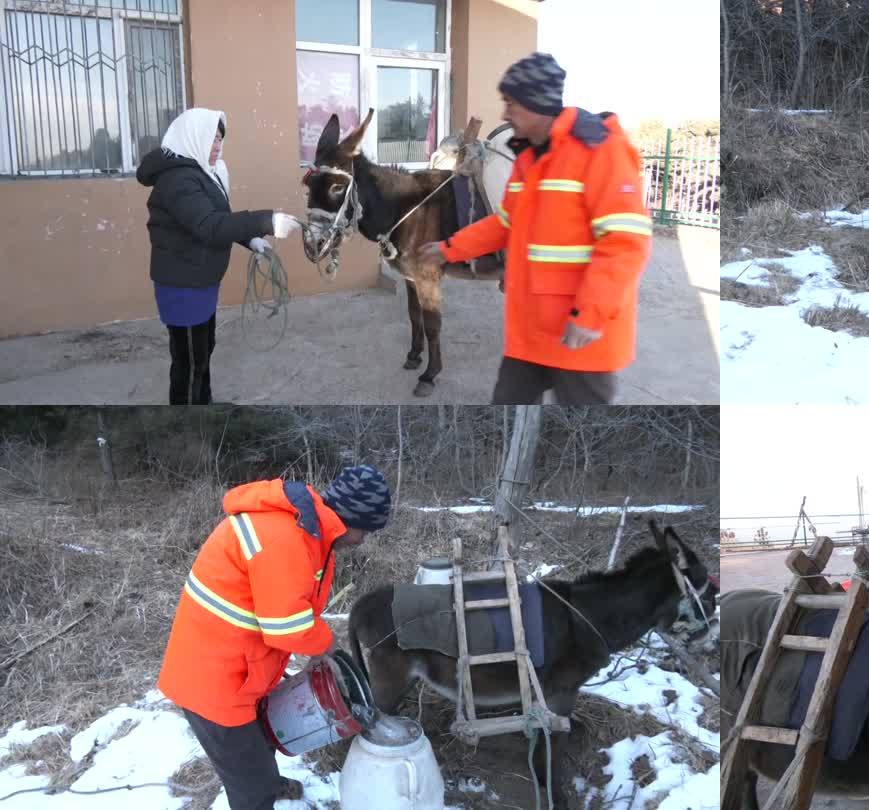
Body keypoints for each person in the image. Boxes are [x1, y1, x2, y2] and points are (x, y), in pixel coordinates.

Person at [418, 52, 653, 405]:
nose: (504, 114)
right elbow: (505, 224)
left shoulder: (601, 152)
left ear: (536, 103)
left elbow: (625, 244)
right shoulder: (530, 159)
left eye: (511, 103)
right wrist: (449, 248)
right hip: (531, 335)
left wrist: (590, 315)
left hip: (581, 338)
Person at [156, 465, 390, 810]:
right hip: (212, 683)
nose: (362, 541)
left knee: (262, 736)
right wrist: (327, 645)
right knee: (250, 788)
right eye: (365, 532)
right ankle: (260, 789)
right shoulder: (286, 539)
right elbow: (287, 628)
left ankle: (265, 778)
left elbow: (292, 605)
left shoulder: (311, 535)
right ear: (350, 520)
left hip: (238, 666)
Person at [137, 108, 304, 404]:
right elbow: (209, 226)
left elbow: (219, 218)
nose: (217, 146)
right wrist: (267, 222)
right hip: (183, 287)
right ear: (194, 137)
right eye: (212, 139)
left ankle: (205, 403)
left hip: (200, 281)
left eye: (220, 140)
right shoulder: (178, 180)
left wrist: (252, 240)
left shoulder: (201, 173)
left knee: (204, 349)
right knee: (189, 361)